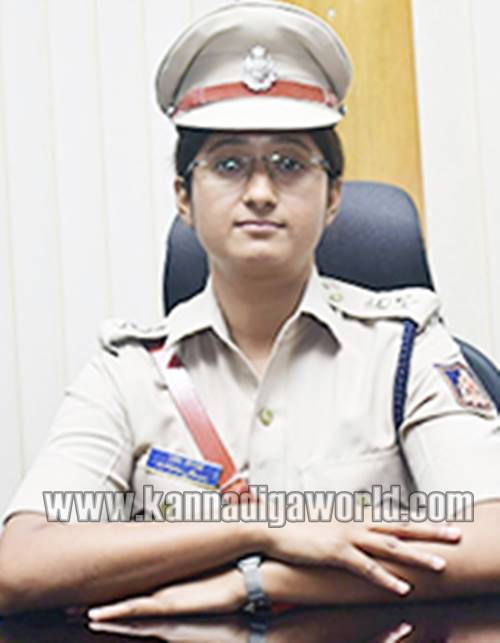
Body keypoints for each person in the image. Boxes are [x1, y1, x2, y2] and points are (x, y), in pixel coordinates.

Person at [1, 0, 500, 621]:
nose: (261, 192)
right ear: (184, 197)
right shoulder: (129, 373)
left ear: (333, 197)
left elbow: (492, 535)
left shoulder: (405, 349)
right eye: (229, 165)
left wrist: (257, 583)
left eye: (290, 164)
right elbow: (19, 563)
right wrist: (257, 528)